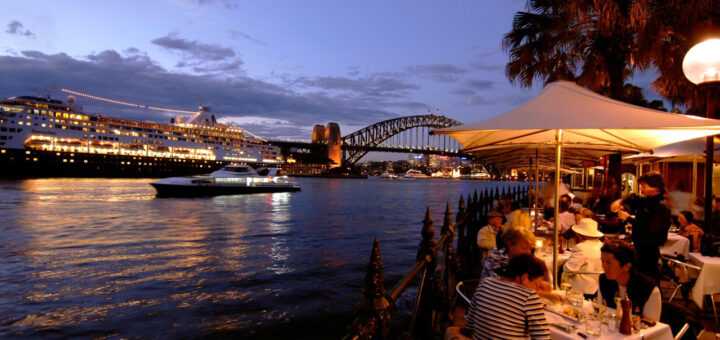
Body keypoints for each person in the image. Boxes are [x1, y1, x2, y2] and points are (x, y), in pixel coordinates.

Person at [466, 254, 551, 340]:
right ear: (525, 278)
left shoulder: (485, 283)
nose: (536, 288)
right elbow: (543, 338)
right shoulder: (529, 296)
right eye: (536, 284)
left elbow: (469, 324)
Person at [612, 172, 671, 280]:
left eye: (644, 186)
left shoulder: (662, 206)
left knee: (648, 279)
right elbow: (634, 199)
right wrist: (621, 202)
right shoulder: (648, 200)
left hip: (649, 249)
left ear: (656, 187)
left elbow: (650, 229)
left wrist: (628, 218)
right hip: (640, 246)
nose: (641, 188)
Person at [597, 239, 662, 321]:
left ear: (627, 266)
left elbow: (652, 325)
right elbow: (600, 311)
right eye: (602, 261)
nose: (604, 266)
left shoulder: (648, 288)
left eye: (609, 263)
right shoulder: (604, 280)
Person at [562, 218, 603, 299]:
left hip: (582, 289)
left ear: (579, 234)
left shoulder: (581, 247)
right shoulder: (602, 245)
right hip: (599, 288)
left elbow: (569, 269)